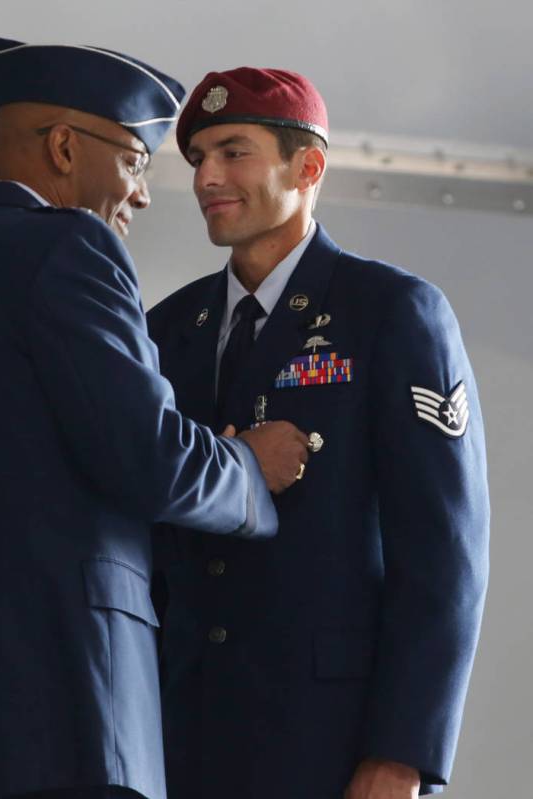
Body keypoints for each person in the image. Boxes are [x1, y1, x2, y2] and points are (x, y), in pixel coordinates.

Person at [0, 43, 310, 799]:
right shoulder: (71, 247)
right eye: (136, 160)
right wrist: (248, 470)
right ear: (66, 147)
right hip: (73, 711)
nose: (140, 194)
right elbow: (150, 454)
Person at [147, 67, 490, 799]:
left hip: (327, 742)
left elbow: (443, 554)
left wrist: (403, 750)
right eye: (197, 156)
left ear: (307, 167)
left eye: (232, 151)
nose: (207, 175)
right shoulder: (167, 329)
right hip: (180, 735)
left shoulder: (392, 312)